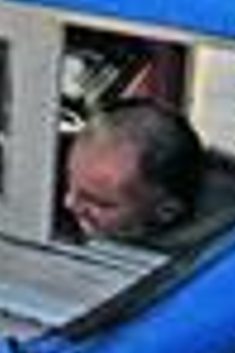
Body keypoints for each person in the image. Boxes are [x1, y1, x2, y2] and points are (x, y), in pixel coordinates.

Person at [63, 98, 204, 244]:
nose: (69, 202)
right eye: (70, 182)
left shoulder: (188, 255)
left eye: (99, 203)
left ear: (166, 212)